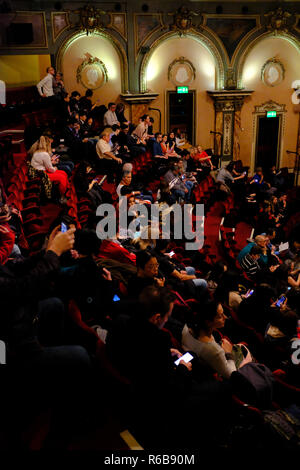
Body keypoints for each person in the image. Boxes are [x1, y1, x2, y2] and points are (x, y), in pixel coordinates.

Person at [181, 300, 252, 379]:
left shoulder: (186, 328)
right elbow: (231, 375)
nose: (225, 317)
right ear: (208, 322)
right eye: (220, 316)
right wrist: (228, 353)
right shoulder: (214, 350)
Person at [30, 136, 69, 203]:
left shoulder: (38, 152)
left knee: (63, 172)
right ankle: (62, 196)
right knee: (62, 177)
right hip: (42, 174)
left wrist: (51, 164)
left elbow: (44, 164)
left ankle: (65, 192)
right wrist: (55, 168)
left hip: (40, 172)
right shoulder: (44, 154)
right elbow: (50, 169)